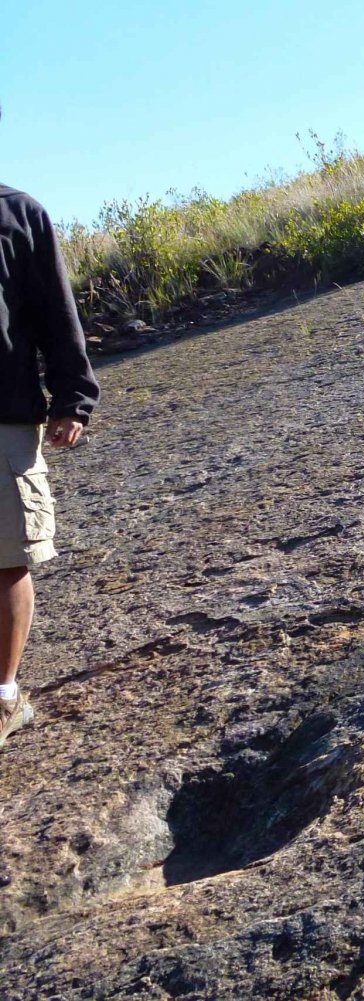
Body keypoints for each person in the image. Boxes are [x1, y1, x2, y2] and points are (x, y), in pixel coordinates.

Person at [0, 168, 101, 748]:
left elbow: (56, 313)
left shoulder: (19, 214)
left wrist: (73, 399)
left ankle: (5, 697)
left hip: (4, 415)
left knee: (7, 558)